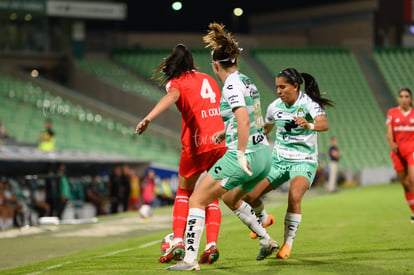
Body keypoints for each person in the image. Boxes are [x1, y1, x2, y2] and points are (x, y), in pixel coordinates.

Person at [167, 22, 278, 271]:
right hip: (263, 153)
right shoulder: (247, 81)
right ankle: (266, 239)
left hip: (244, 155)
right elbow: (250, 117)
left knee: (196, 199)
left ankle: (189, 259)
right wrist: (223, 132)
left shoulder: (230, 85)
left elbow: (243, 119)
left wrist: (238, 152)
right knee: (230, 198)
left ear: (216, 65)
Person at [135, 43, 227, 264]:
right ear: (192, 62)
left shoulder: (175, 83)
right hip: (219, 142)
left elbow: (173, 96)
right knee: (210, 196)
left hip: (196, 144)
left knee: (184, 193)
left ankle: (177, 240)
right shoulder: (209, 79)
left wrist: (149, 117)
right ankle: (212, 245)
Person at [241, 67, 333, 260]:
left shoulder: (309, 104)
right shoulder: (274, 107)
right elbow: (265, 129)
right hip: (279, 160)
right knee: (249, 195)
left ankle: (287, 244)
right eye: (277, 87)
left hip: (304, 160)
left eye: (283, 87)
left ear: (295, 86)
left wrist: (309, 125)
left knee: (294, 195)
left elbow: (324, 125)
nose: (279, 91)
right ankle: (265, 219)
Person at [386, 87, 414, 223]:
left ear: (411, 99)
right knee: (405, 184)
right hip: (397, 153)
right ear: (398, 98)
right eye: (401, 96)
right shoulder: (392, 113)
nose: (404, 99)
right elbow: (389, 131)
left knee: (413, 180)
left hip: (411, 151)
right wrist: (392, 143)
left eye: (407, 96)